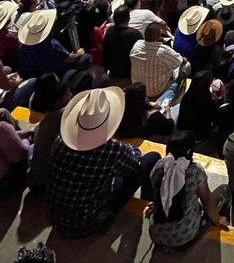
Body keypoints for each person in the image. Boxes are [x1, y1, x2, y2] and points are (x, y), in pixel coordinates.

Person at [47, 87, 161, 239]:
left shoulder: (61, 140)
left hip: (55, 217)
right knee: (152, 157)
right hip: (89, 221)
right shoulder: (111, 150)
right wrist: (130, 148)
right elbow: (135, 165)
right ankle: (147, 201)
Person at [147, 131, 227, 253]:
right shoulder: (195, 171)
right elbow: (207, 200)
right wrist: (217, 220)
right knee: (223, 190)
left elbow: (158, 190)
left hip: (156, 235)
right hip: (184, 238)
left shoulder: (159, 166)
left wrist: (159, 204)